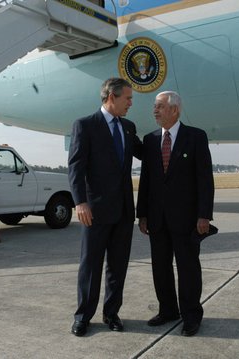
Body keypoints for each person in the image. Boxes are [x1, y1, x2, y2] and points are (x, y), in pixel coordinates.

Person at [68, 77, 142, 336]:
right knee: (90, 265)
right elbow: (76, 166)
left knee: (118, 266)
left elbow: (148, 153)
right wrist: (80, 202)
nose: (131, 103)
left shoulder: (129, 127)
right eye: (128, 99)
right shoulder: (86, 125)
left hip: (123, 211)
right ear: (112, 97)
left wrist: (175, 136)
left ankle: (112, 313)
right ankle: (83, 316)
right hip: (95, 211)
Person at [137, 91, 214, 337]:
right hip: (157, 219)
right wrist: (143, 215)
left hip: (187, 219)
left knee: (188, 269)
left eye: (159, 106)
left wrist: (204, 215)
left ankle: (191, 315)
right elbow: (146, 180)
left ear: (175, 110)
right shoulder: (149, 140)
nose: (155, 111)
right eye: (154, 107)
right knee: (160, 268)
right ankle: (168, 310)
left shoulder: (196, 137)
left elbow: (205, 179)